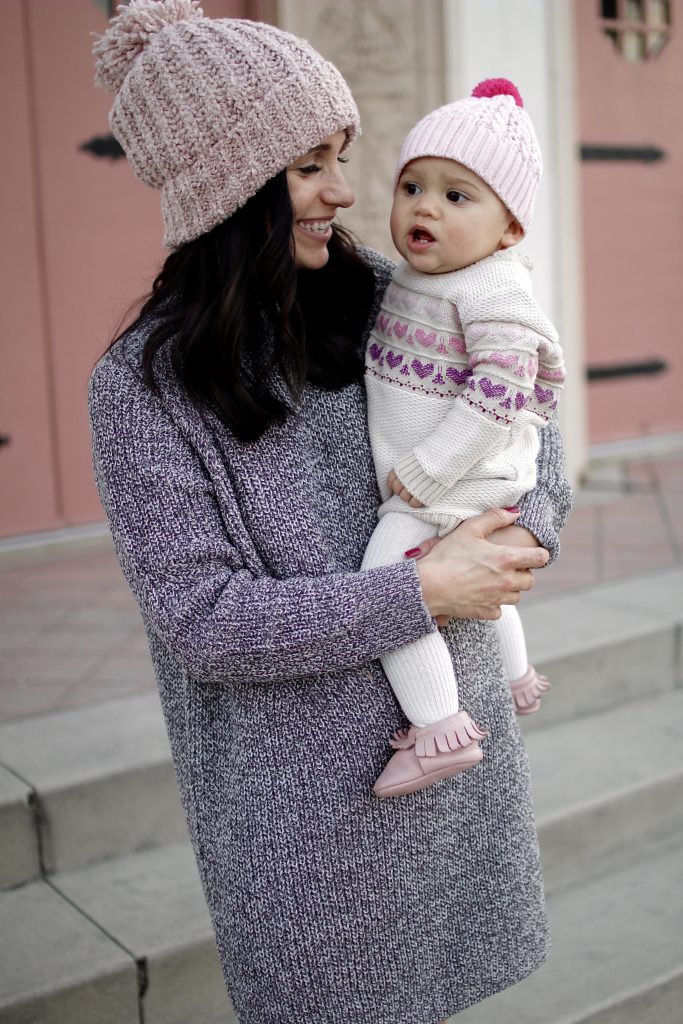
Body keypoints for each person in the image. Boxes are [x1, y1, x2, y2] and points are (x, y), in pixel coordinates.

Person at [89, 2, 571, 1022]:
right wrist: (422, 589)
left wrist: (524, 531)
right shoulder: (140, 388)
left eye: (341, 155)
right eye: (309, 164)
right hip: (304, 815)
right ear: (233, 182)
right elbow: (202, 621)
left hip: (453, 765)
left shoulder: (393, 294)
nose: (343, 192)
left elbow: (529, 413)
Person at [363, 80, 566, 798]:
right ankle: (514, 677)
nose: (423, 206)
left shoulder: (493, 289)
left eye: (457, 197)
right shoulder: (414, 278)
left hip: (458, 480)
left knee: (390, 583)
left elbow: (497, 394)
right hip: (453, 478)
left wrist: (425, 472)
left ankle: (438, 730)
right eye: (412, 185)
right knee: (490, 598)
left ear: (508, 229)